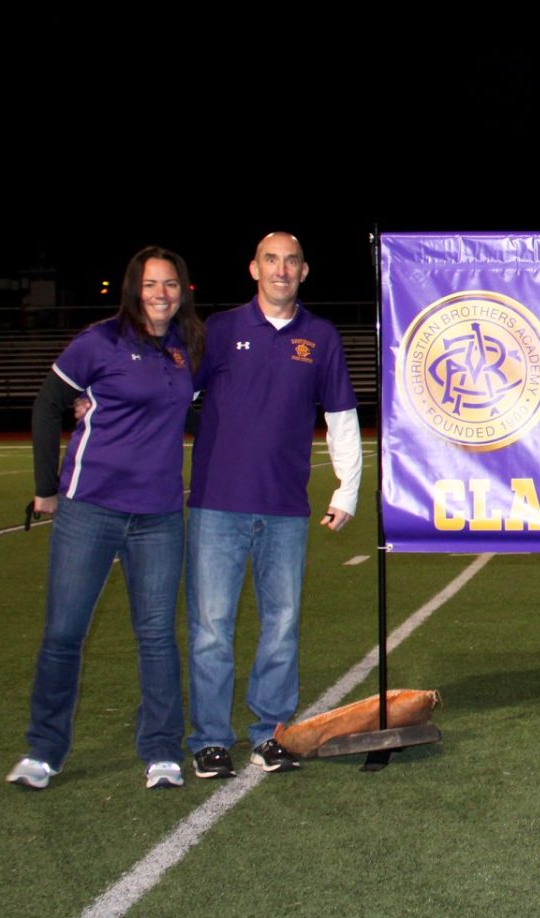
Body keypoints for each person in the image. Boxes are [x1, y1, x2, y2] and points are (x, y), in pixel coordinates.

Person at [8, 247, 204, 791]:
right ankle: (44, 751)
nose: (160, 293)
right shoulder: (99, 341)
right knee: (64, 633)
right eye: (149, 284)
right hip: (89, 508)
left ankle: (162, 750)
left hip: (160, 514)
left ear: (183, 290)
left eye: (170, 283)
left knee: (156, 636)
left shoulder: (190, 346)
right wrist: (46, 489)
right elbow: (49, 404)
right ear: (132, 290)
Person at [184, 232, 362, 778]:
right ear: (253, 269)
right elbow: (171, 397)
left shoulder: (321, 337)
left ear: (304, 272)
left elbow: (341, 418)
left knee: (281, 624)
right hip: (217, 505)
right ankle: (211, 738)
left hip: (286, 507)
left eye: (291, 261)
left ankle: (270, 733)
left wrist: (347, 489)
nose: (281, 270)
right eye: (271, 260)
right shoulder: (220, 330)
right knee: (212, 627)